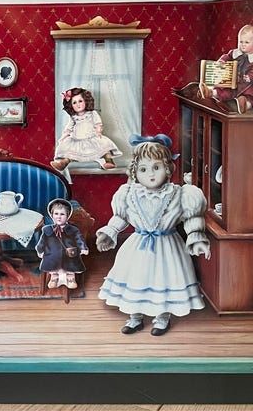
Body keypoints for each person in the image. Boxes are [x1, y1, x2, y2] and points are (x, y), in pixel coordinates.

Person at [96, 134, 211, 336]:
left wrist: (196, 237)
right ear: (135, 172)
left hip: (167, 244)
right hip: (138, 244)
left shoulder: (179, 194)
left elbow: (191, 218)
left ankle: (162, 316)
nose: (150, 174)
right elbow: (121, 217)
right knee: (137, 277)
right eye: (143, 169)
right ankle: (135, 316)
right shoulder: (129, 194)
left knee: (164, 279)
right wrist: (110, 232)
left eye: (156, 167)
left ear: (167, 168)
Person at [50, 87, 122, 171]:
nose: (78, 104)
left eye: (80, 101)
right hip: (77, 141)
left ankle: (109, 161)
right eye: (74, 103)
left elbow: (98, 123)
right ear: (70, 105)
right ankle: (62, 164)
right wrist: (63, 137)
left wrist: (98, 131)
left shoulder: (92, 113)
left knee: (104, 148)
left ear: (86, 101)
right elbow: (69, 128)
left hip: (92, 138)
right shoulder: (73, 117)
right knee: (70, 153)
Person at [198, 24, 253, 114]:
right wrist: (222, 61)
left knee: (249, 96)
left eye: (246, 42)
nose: (243, 45)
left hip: (246, 85)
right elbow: (226, 56)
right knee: (224, 90)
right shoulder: (235, 53)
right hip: (232, 82)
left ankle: (245, 104)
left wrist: (248, 77)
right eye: (241, 42)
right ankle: (210, 93)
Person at [35, 198, 89, 290]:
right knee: (52, 265)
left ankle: (71, 278)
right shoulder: (47, 230)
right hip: (52, 253)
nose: (59, 217)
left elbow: (79, 239)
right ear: (52, 215)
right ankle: (54, 278)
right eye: (56, 214)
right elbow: (43, 241)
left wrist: (83, 247)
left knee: (71, 264)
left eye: (62, 214)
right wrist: (40, 250)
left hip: (68, 254)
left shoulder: (73, 229)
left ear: (67, 216)